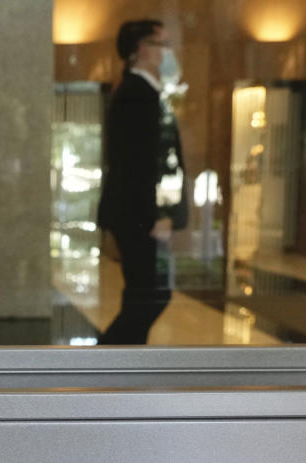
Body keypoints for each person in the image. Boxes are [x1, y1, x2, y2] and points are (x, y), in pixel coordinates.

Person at [97, 20, 187, 345]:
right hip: (139, 216)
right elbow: (138, 163)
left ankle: (122, 365)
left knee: (147, 295)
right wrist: (157, 214)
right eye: (163, 44)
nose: (169, 53)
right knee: (150, 294)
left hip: (139, 214)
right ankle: (104, 364)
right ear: (142, 50)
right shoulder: (137, 94)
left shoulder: (145, 92)